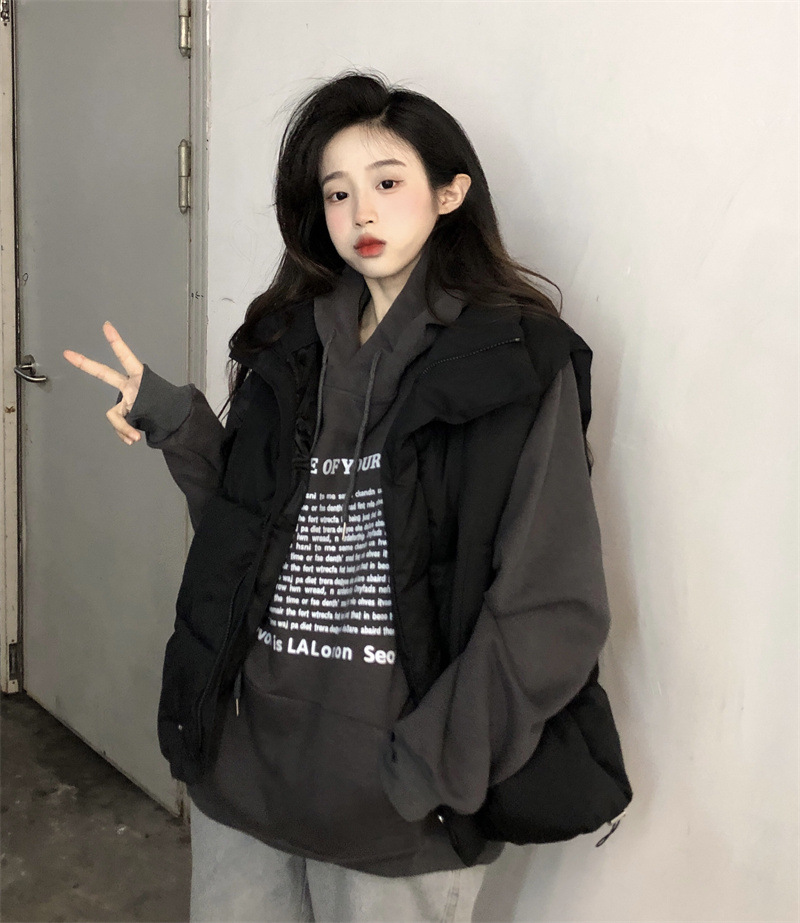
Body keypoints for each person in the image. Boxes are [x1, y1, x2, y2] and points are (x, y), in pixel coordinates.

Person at [64, 71, 612, 923]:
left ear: (450, 191)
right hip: (244, 776)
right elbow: (242, 536)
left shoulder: (516, 362)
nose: (361, 212)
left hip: (397, 813)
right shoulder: (289, 343)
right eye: (338, 192)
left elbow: (552, 608)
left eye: (387, 183)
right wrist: (177, 421)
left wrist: (427, 769)